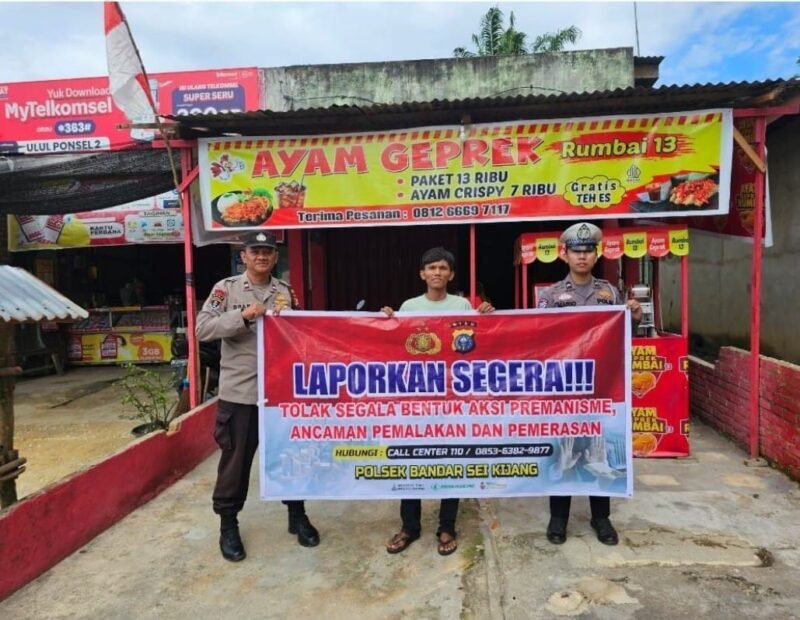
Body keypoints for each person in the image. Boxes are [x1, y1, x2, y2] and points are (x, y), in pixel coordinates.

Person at [196, 231, 320, 562]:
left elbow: (302, 332)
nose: (262, 256)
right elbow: (202, 329)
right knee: (235, 462)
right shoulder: (226, 289)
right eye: (255, 251)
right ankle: (228, 524)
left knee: (291, 456)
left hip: (281, 393)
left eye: (268, 251)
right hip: (242, 393)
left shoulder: (286, 291)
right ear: (244, 256)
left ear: (276, 257)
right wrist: (242, 317)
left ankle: (297, 515)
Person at [381, 246, 494, 556]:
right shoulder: (408, 307)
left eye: (443, 268)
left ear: (451, 274)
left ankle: (447, 526)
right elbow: (395, 345)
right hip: (416, 399)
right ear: (422, 274)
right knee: (411, 460)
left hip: (452, 399)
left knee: (450, 459)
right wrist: (386, 321)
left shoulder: (463, 306)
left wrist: (488, 318)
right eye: (431, 268)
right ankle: (409, 526)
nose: (437, 273)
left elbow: (478, 343)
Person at [537, 222, 642, 546]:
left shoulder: (610, 293)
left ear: (596, 256)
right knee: (564, 450)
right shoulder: (551, 296)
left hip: (601, 386)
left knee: (599, 450)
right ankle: (558, 518)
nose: (581, 256)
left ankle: (601, 518)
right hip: (565, 387)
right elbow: (539, 338)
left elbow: (623, 335)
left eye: (587, 251)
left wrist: (634, 317)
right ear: (565, 255)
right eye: (576, 251)